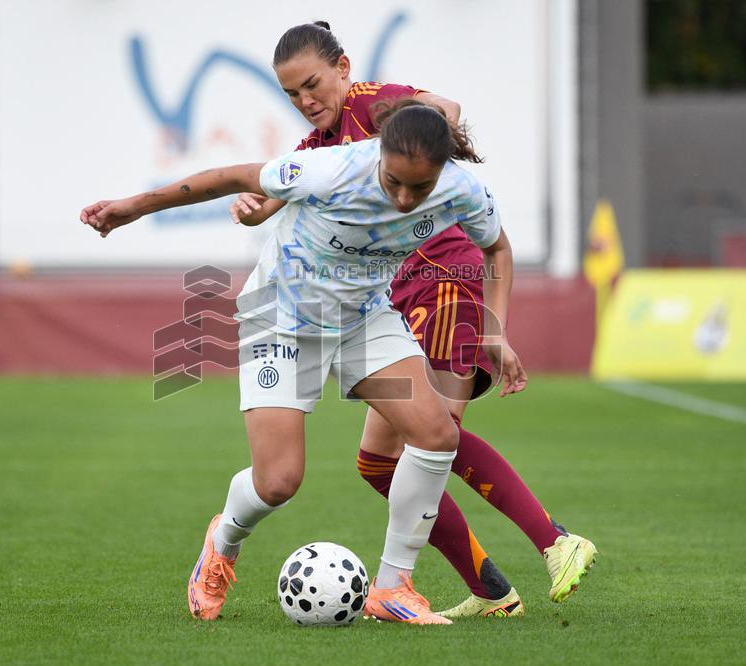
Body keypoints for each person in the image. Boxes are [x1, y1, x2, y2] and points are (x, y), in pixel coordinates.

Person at [82, 100, 522, 625]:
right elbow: (228, 177)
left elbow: (497, 249)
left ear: (441, 173)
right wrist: (133, 207)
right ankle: (221, 543)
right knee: (278, 482)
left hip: (363, 321)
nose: (405, 199)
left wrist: (494, 331)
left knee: (436, 434)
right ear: (378, 156)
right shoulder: (332, 169)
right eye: (394, 182)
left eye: (419, 188)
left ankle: (392, 586)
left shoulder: (463, 190)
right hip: (281, 318)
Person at [229, 21, 596, 617]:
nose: (306, 100)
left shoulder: (371, 105)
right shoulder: (318, 147)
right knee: (379, 462)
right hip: (395, 290)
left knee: (436, 431)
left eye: (312, 84)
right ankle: (491, 591)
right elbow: (273, 194)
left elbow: (444, 110)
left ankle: (555, 540)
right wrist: (252, 207)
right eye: (292, 93)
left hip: (444, 279)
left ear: (342, 69)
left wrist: (420, 132)